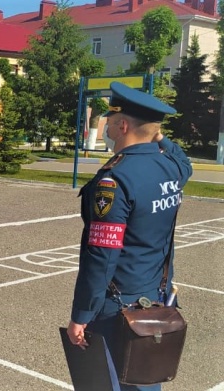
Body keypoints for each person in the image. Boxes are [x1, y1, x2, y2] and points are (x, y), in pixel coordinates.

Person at [65, 82, 193, 391]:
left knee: (109, 382)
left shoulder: (114, 181)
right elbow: (185, 163)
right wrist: (156, 134)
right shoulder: (170, 167)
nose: (106, 125)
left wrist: (82, 314)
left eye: (109, 119)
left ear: (122, 125)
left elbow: (103, 256)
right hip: (157, 296)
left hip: (117, 306)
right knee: (146, 376)